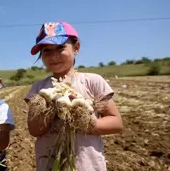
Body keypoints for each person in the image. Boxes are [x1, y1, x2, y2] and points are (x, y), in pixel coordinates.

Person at [24, 21, 123, 171]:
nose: (54, 56)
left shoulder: (93, 81)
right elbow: (34, 130)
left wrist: (84, 122)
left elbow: (116, 123)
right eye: (46, 51)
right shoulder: (38, 88)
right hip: (49, 164)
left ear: (76, 48)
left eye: (60, 47)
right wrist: (52, 107)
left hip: (87, 166)